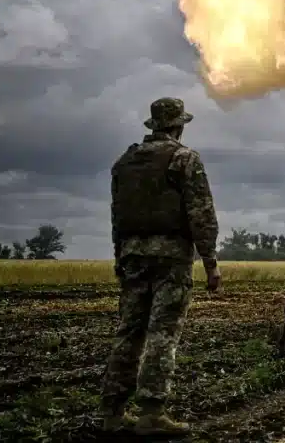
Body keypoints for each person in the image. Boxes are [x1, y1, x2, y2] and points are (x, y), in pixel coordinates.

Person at [99, 97, 221, 436]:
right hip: (170, 258)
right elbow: (201, 215)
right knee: (162, 333)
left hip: (131, 256)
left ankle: (112, 411)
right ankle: (151, 412)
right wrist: (210, 263)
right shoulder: (184, 159)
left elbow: (117, 217)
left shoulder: (124, 162)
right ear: (179, 125)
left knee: (129, 331)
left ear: (153, 125)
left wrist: (119, 257)